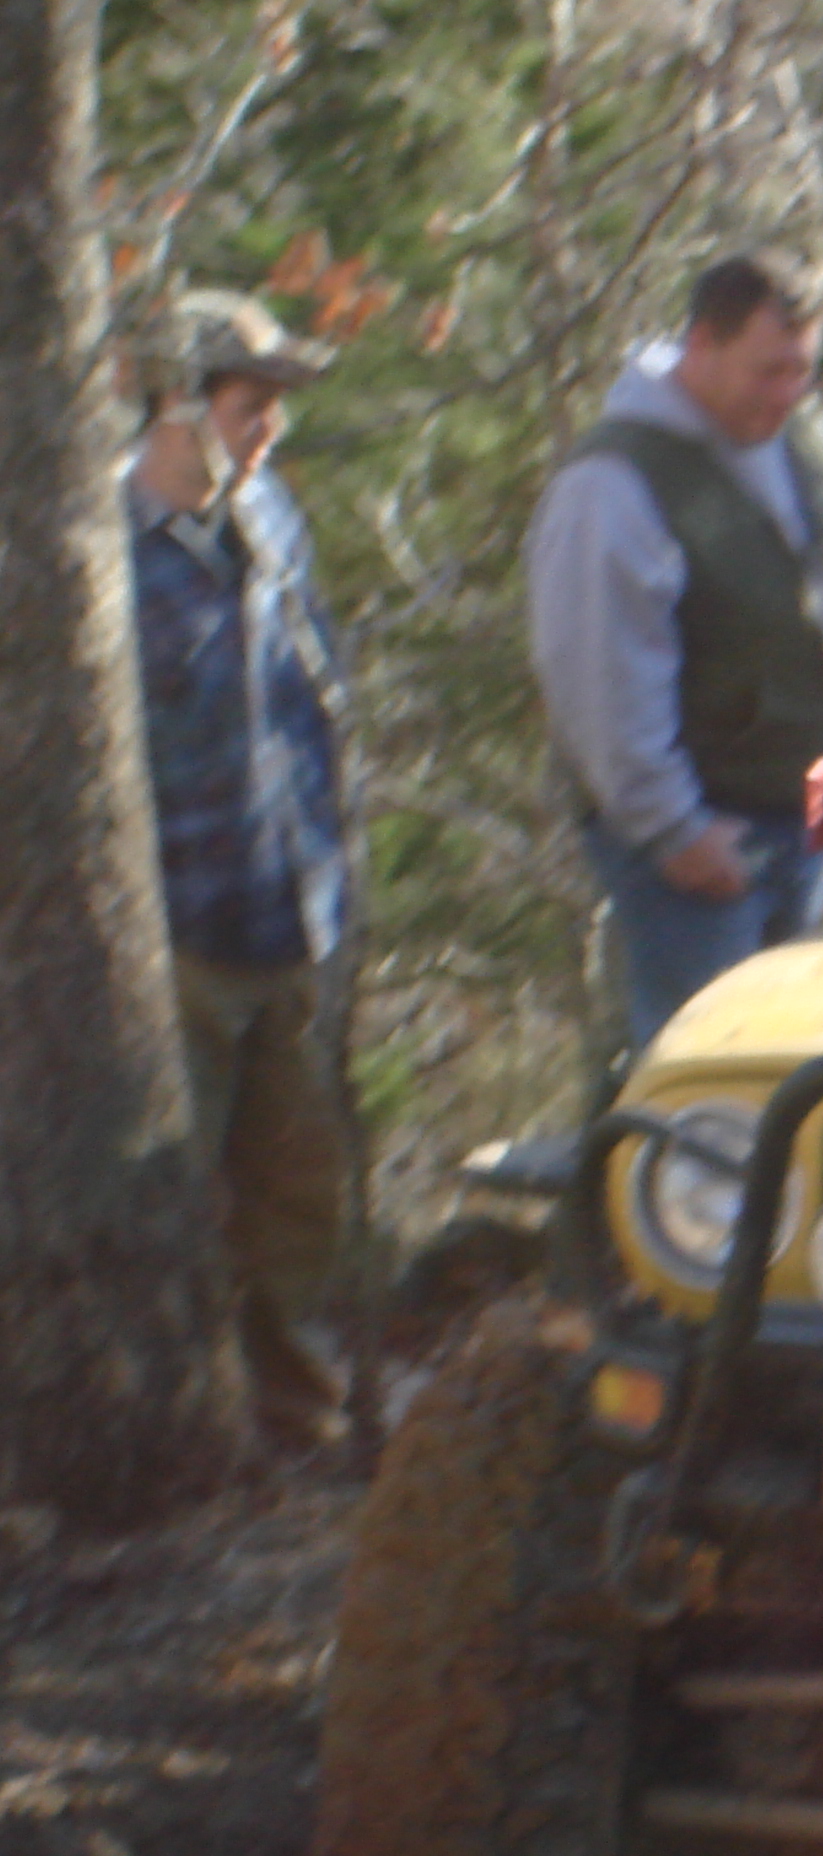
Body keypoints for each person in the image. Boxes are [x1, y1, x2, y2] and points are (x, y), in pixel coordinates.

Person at [526, 251, 823, 1053]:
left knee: (790, 1062)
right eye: (767, 370)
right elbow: (601, 681)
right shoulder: (616, 483)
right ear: (702, 344)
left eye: (801, 370)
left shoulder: (812, 441)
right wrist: (674, 830)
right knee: (705, 1068)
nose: (786, 392)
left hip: (806, 820)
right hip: (700, 841)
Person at [124, 289, 356, 1449]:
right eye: (248, 404)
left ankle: (297, 1419)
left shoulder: (272, 519)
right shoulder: (94, 552)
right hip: (171, 943)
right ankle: (161, 1436)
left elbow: (316, 702)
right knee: (158, 1209)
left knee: (297, 1200)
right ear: (174, 402)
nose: (269, 429)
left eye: (278, 407)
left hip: (291, 917)